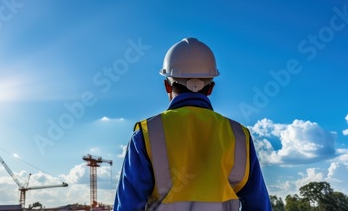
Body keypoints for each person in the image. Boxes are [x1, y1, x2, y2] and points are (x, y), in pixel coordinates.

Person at [114, 38, 271, 210]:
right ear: (211, 88)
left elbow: (127, 206)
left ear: (167, 86)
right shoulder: (239, 136)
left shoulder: (147, 133)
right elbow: (258, 205)